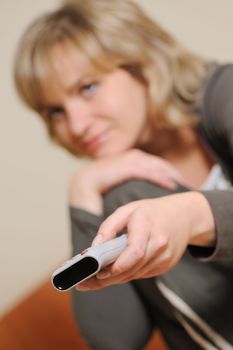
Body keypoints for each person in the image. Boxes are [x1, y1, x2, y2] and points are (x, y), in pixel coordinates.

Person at [14, 0, 233, 349]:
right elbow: (115, 340)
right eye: (55, 111)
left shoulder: (224, 93)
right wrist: (83, 193)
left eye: (87, 88)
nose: (76, 125)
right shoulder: (121, 195)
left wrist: (189, 215)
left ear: (142, 62)